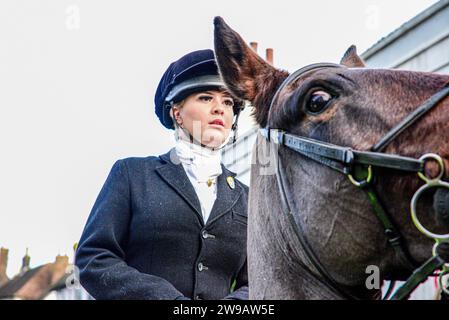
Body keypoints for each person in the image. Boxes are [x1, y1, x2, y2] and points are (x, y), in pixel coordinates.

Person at [75, 49, 249, 300]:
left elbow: (259, 279)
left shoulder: (247, 198)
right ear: (176, 112)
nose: (219, 109)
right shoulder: (131, 174)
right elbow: (93, 258)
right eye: (205, 98)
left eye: (228, 102)